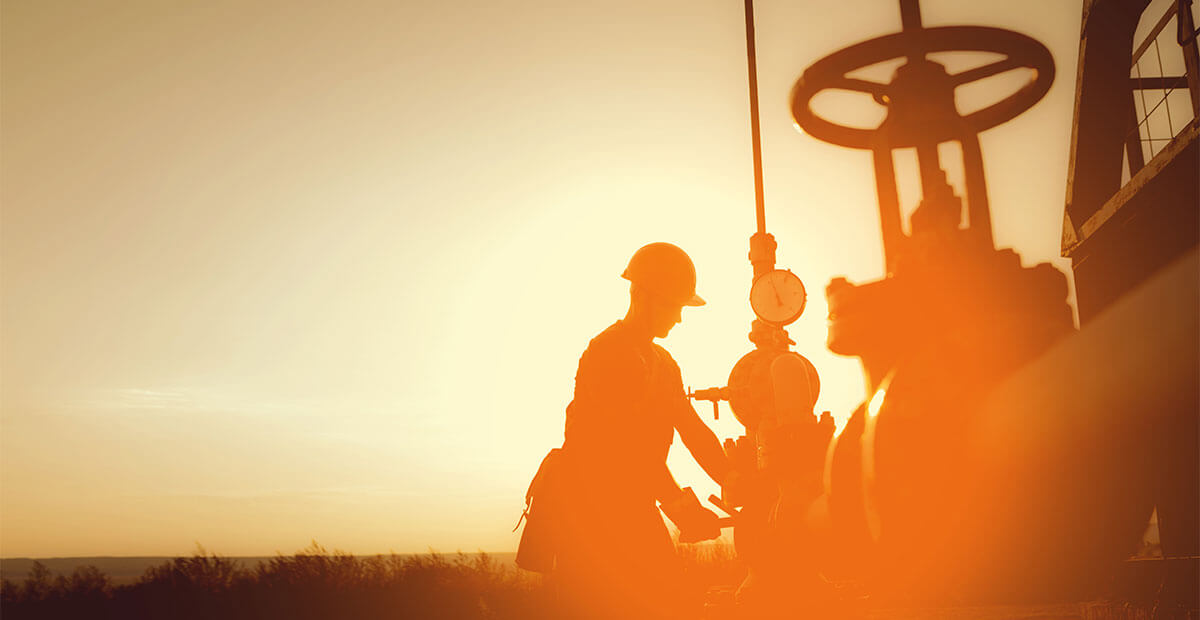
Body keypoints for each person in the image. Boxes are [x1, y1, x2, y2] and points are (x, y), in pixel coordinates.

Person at [553, 242, 737, 619]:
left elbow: (693, 430)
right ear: (641, 294)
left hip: (634, 506)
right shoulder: (606, 353)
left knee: (670, 603)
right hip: (591, 518)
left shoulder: (665, 363)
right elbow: (628, 449)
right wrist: (681, 506)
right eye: (674, 306)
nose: (680, 319)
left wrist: (734, 479)